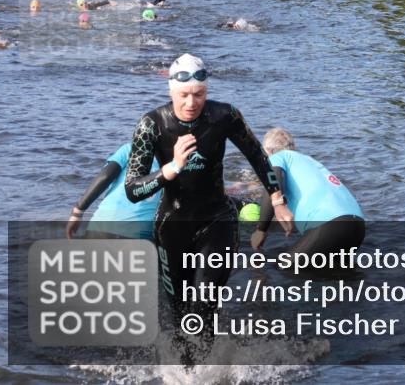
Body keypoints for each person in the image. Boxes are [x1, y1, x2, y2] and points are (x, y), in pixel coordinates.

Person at [123, 53, 293, 364]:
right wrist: (171, 168)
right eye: (183, 95)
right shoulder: (152, 125)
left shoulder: (225, 116)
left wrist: (277, 200)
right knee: (178, 315)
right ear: (171, 91)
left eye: (199, 94)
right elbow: (132, 190)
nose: (191, 103)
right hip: (172, 227)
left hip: (217, 219)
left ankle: (203, 374)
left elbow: (257, 154)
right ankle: (187, 371)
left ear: (207, 92)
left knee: (203, 301)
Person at [251, 127, 365, 258]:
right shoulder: (308, 161)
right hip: (358, 226)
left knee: (284, 268)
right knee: (332, 270)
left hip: (330, 224)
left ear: (269, 151)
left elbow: (272, 184)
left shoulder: (277, 157)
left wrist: (261, 230)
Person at [67, 143, 163, 240]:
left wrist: (78, 212)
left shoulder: (131, 148)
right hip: (139, 237)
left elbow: (105, 177)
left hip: (101, 228)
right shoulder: (174, 165)